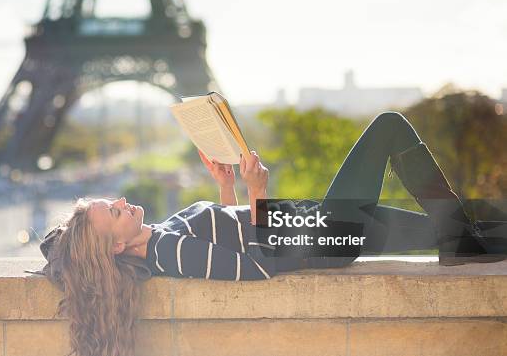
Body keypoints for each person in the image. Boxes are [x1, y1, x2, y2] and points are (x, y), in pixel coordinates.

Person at [39, 111, 505, 356]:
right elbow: (256, 265)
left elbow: (229, 238)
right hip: (319, 235)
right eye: (114, 214)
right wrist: (257, 190)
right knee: (388, 127)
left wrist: (226, 188)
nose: (122, 203)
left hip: (313, 228)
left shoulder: (161, 240)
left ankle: (466, 242)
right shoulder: (166, 250)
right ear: (117, 245)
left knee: (466, 235)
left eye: (113, 203)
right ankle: (464, 240)